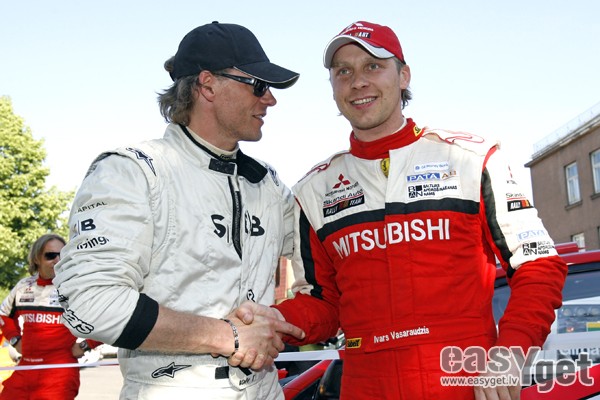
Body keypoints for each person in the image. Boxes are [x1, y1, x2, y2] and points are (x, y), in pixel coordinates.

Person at [237, 21, 568, 399]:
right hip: (365, 387)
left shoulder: (472, 159)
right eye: (343, 71)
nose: (358, 82)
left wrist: (511, 352)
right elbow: (324, 304)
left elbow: (539, 265)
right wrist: (276, 319)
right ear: (333, 88)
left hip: (464, 384)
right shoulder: (313, 191)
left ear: (404, 76)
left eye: (373, 66)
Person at [52, 21, 304, 400]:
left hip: (265, 390)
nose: (270, 100)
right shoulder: (134, 171)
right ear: (208, 85)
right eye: (258, 85)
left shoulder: (268, 184)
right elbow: (88, 302)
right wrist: (227, 336)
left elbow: (328, 263)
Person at [0, 234, 101, 399]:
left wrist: (86, 345)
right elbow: (3, 315)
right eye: (50, 255)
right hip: (25, 367)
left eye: (62, 255)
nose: (57, 260)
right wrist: (14, 339)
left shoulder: (76, 288)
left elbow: (109, 319)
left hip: (59, 372)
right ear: (37, 258)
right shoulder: (23, 286)